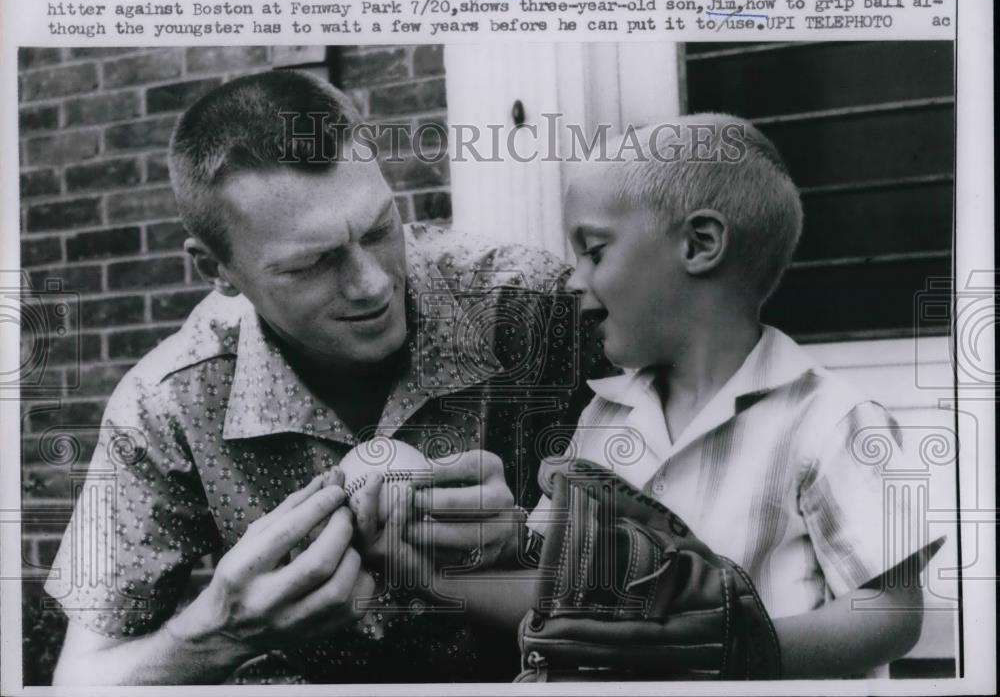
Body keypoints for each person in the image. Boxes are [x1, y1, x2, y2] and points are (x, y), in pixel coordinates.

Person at [43, 70, 604, 685]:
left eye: (379, 229)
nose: (370, 284)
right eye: (311, 263)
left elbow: (686, 585)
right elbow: (81, 679)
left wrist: (525, 551)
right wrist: (219, 633)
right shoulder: (167, 403)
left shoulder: (536, 307)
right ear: (216, 268)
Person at [413, 115, 941, 679]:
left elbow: (890, 615)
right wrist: (425, 570)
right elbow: (553, 590)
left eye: (593, 252)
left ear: (699, 244)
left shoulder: (834, 420)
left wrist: (738, 649)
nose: (571, 279)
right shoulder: (602, 416)